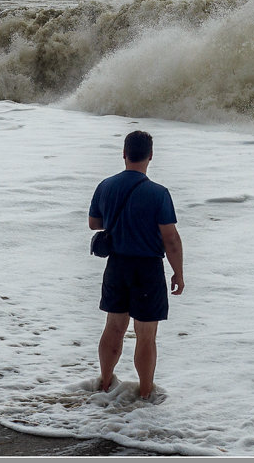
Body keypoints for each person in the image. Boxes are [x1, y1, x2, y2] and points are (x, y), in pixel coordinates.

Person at [88, 130, 184, 400]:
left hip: (117, 265)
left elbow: (94, 223)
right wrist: (178, 272)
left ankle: (105, 382)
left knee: (113, 327)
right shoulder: (159, 193)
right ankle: (144, 394)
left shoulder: (106, 186)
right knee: (145, 335)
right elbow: (171, 238)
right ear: (150, 156)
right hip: (148, 268)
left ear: (124, 154)